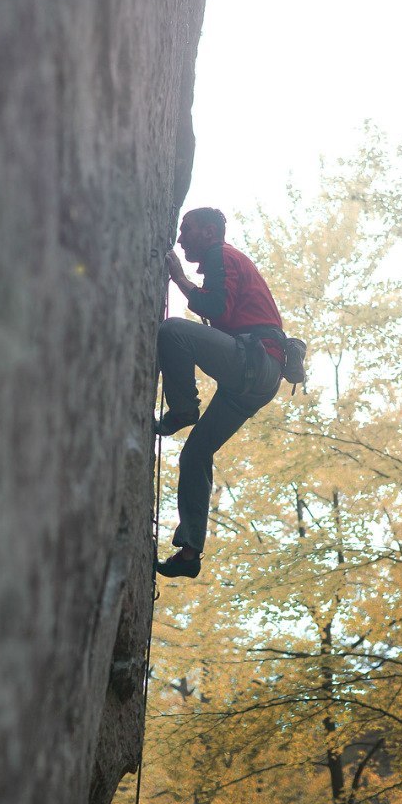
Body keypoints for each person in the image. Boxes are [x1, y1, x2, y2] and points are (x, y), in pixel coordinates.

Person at [156, 207, 286, 579]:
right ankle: (190, 554)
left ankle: (182, 410)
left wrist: (178, 279)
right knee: (196, 454)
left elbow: (215, 306)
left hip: (256, 362)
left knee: (173, 331)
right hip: (255, 382)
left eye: (187, 229)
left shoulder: (221, 255)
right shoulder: (223, 260)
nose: (180, 239)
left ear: (210, 232)